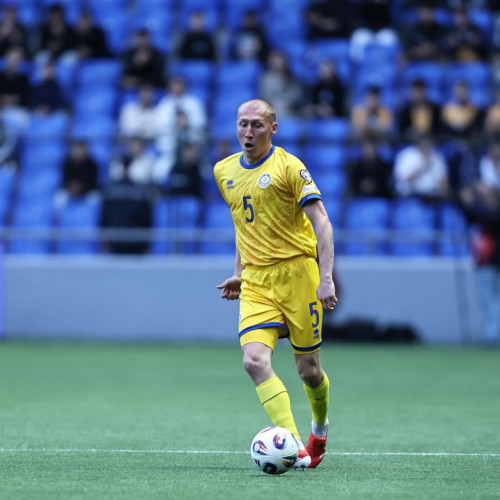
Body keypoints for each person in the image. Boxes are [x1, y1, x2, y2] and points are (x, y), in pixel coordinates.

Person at [214, 99, 337, 469]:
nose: (248, 132)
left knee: (309, 371)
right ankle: (294, 446)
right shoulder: (224, 170)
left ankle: (319, 428)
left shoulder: (289, 167)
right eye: (242, 124)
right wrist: (239, 271)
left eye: (257, 124)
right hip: (256, 281)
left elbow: (322, 222)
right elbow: (243, 226)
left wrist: (326, 278)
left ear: (273, 128)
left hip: (298, 274)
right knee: (253, 361)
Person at [393, 135, 449, 199]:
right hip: (410, 195)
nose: (427, 148)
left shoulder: (436, 155)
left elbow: (442, 178)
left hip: (433, 195)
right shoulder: (406, 155)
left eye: (429, 145)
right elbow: (405, 180)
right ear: (417, 145)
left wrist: (444, 193)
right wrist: (424, 166)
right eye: (424, 145)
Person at [258, 50, 304, 118]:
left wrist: (285, 102)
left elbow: (296, 94)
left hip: (289, 109)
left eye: (279, 61)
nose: (277, 63)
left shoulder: (292, 78)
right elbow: (264, 95)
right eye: (274, 61)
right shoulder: (265, 79)